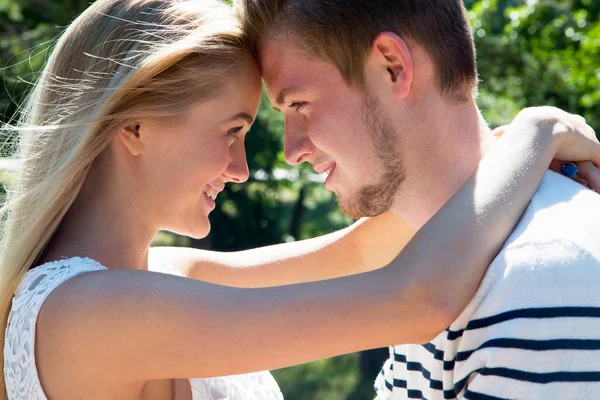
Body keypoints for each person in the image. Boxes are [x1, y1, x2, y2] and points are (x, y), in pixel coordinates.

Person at [0, 1, 598, 399]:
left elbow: (369, 248)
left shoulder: (155, 277)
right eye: (232, 131)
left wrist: (499, 154)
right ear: (134, 127)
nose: (244, 166)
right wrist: (536, 129)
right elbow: (413, 297)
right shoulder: (90, 314)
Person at [234, 0, 600, 398]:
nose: (293, 150)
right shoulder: (432, 267)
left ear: (393, 67)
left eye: (298, 104)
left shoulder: (543, 279)